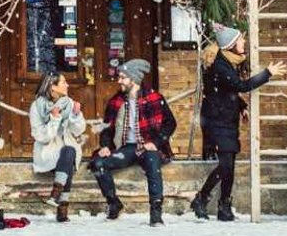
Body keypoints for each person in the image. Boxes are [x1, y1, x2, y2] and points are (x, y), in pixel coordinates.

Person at [191, 24, 287, 221]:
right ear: (231, 45)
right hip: (216, 121)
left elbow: (226, 90)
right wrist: (267, 73)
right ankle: (202, 198)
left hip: (225, 119)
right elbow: (240, 85)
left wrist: (241, 104)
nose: (244, 43)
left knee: (230, 165)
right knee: (226, 164)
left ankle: (223, 206)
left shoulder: (226, 62)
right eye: (240, 41)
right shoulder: (220, 65)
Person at [89, 58, 177, 226]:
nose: (119, 80)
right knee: (98, 163)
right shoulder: (116, 101)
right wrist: (106, 146)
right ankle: (114, 203)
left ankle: (156, 212)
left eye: (122, 77)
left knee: (152, 162)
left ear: (134, 79)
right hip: (127, 148)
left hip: (148, 146)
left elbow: (170, 123)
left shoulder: (154, 97)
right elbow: (107, 128)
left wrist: (157, 143)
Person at [28, 71, 86, 223]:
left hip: (66, 145)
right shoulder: (37, 106)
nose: (67, 85)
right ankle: (62, 208)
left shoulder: (69, 103)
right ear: (52, 87)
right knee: (67, 161)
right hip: (48, 149)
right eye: (63, 82)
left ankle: (56, 192)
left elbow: (78, 130)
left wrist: (76, 115)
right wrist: (54, 119)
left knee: (69, 152)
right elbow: (42, 137)